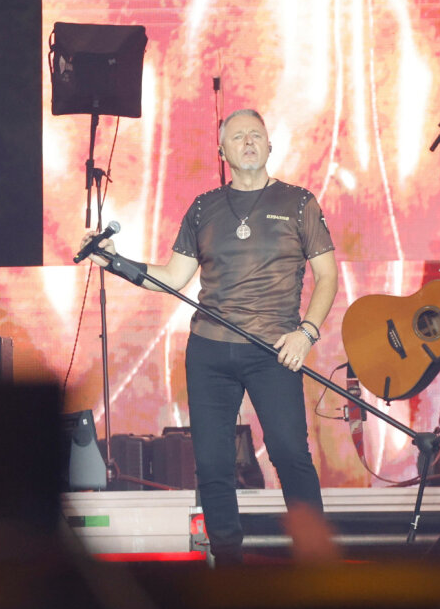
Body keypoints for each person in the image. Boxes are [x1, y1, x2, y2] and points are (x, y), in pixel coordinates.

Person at [80, 109, 339, 565]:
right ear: (222, 152)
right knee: (214, 465)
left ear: (270, 145)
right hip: (210, 350)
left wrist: (307, 333)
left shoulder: (300, 203)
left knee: (289, 455)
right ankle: (227, 565)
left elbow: (328, 276)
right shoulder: (204, 207)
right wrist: (116, 262)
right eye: (238, 137)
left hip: (275, 349)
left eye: (256, 134)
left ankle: (315, 560)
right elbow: (172, 277)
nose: (249, 142)